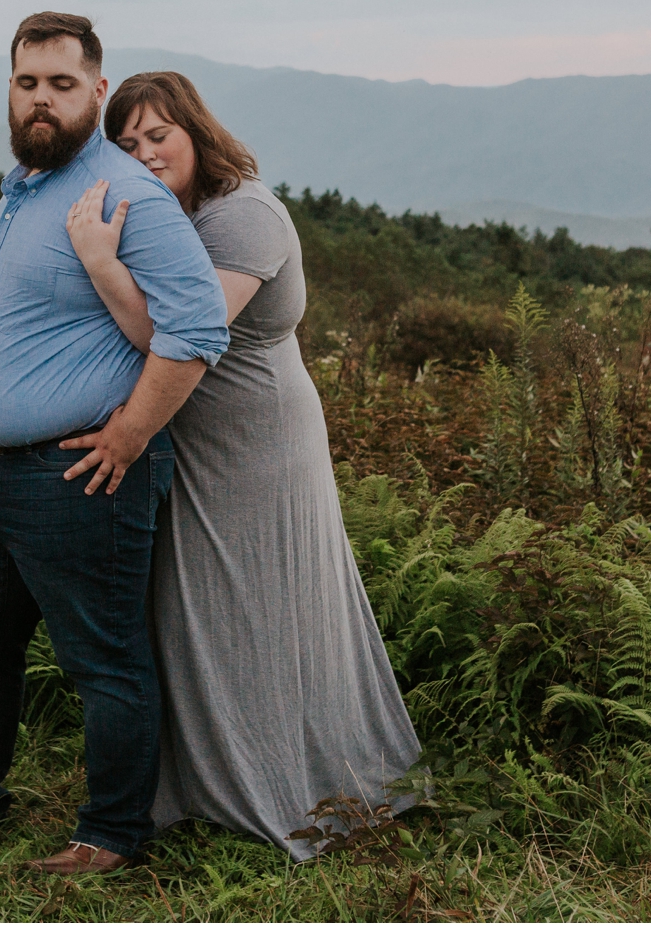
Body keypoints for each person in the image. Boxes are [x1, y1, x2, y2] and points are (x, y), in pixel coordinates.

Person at [0, 15, 230, 877]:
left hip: (77, 471)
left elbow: (196, 329)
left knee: (103, 661)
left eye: (59, 83)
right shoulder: (29, 186)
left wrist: (132, 431)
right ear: (10, 91)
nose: (41, 98)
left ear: (94, 88)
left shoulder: (129, 195)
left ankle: (113, 834)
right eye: (26, 83)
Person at [64, 70, 421, 861]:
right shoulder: (169, 214)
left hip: (259, 443)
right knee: (189, 606)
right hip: (189, 440)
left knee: (263, 603)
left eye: (159, 135)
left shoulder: (245, 215)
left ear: (196, 130)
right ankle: (199, 780)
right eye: (126, 144)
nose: (145, 153)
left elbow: (175, 332)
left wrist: (99, 261)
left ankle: (285, 785)